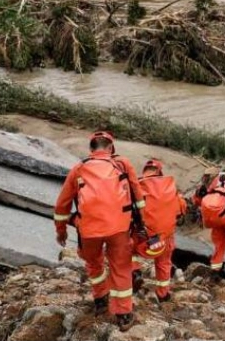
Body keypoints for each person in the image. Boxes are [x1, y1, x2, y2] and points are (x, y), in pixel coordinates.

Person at [53, 131, 146, 330]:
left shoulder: (79, 168)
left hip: (89, 229)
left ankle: (101, 298)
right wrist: (142, 224)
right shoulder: (122, 164)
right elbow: (138, 197)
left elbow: (62, 206)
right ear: (111, 148)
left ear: (91, 149)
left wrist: (61, 231)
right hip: (119, 227)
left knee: (94, 263)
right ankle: (123, 314)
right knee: (121, 267)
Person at [131, 159, 186, 303]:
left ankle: (134, 270)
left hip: (142, 235)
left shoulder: (136, 185)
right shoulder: (170, 188)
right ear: (160, 172)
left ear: (145, 170)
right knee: (164, 262)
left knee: (128, 250)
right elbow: (181, 210)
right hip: (164, 237)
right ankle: (162, 294)